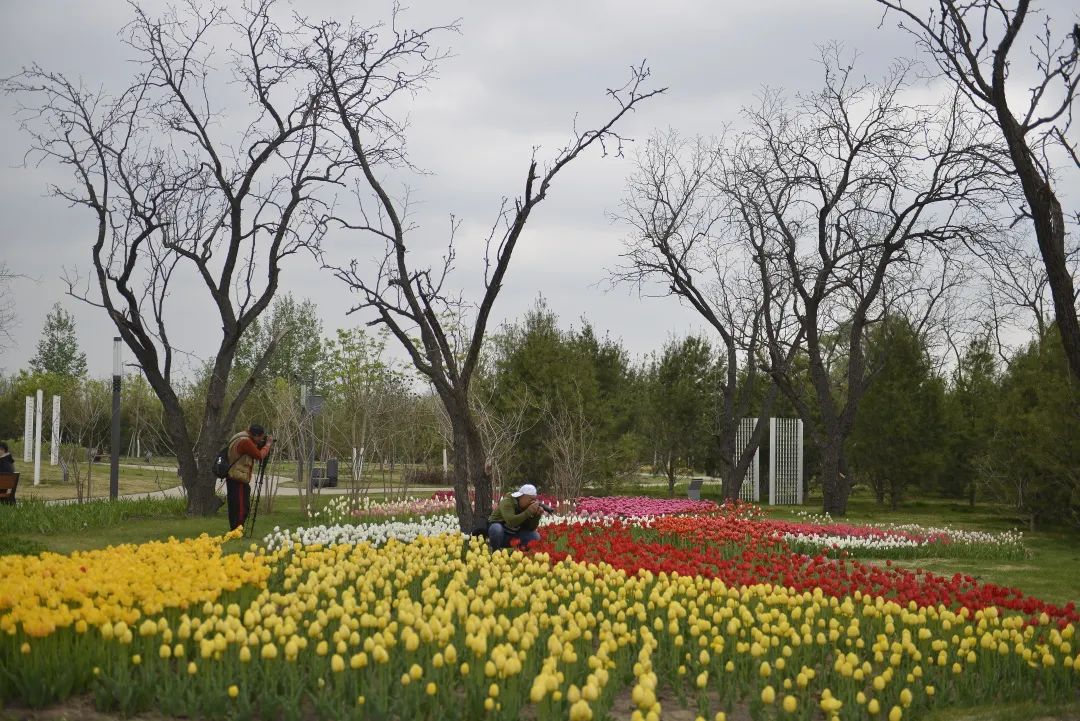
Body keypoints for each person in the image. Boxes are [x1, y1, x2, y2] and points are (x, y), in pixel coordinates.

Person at [225, 424, 273, 530]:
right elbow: (259, 456)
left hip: (233, 475)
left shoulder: (240, 436)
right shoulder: (245, 441)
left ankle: (235, 529)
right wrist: (268, 445)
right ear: (255, 435)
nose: (261, 440)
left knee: (235, 505)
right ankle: (237, 529)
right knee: (241, 507)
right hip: (239, 477)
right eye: (260, 438)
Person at [488, 483, 545, 550]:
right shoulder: (507, 502)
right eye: (531, 499)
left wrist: (536, 516)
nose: (533, 502)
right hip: (501, 534)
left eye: (534, 500)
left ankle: (517, 555)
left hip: (514, 535)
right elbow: (511, 521)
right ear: (522, 496)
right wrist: (528, 512)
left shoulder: (527, 506)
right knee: (496, 528)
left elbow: (530, 528)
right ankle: (495, 552)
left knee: (535, 536)